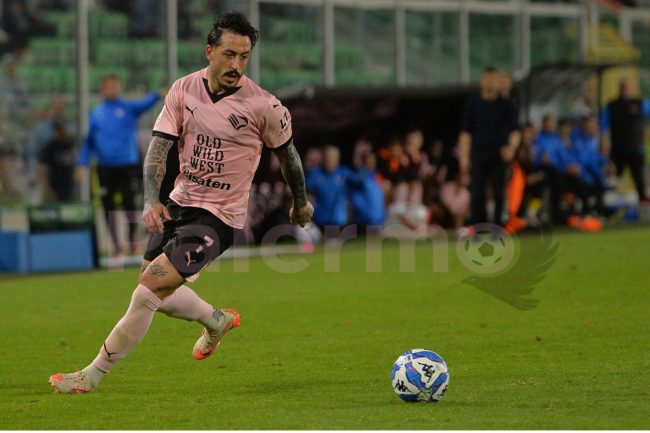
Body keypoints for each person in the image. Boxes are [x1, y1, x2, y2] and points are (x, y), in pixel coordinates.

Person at [49, 12, 313, 394]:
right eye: (229, 54)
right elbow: (159, 148)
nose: (236, 65)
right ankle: (216, 319)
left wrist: (300, 203)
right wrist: (151, 200)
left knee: (148, 290)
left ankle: (90, 376)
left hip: (219, 216)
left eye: (243, 56)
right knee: (157, 289)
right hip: (179, 204)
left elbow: (289, 157)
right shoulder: (184, 89)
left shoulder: (263, 106)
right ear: (209, 51)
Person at [76, 74, 164, 256]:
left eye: (115, 86)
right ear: (102, 89)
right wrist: (81, 163)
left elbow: (145, 103)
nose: (113, 89)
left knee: (130, 202)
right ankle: (116, 246)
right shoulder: (96, 113)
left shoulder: (128, 108)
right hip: (105, 167)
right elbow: (89, 141)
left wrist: (157, 95)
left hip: (127, 164)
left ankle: (132, 239)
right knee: (107, 205)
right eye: (109, 86)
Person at [459, 66, 520, 226]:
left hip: (499, 154)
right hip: (479, 154)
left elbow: (515, 130)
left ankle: (499, 226)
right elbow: (466, 133)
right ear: (481, 81)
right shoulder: (473, 103)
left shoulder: (507, 105)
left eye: (493, 79)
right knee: (477, 192)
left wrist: (511, 148)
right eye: (487, 79)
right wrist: (464, 158)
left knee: (499, 192)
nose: (490, 82)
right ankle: (480, 226)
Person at [599, 79, 650, 203]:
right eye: (623, 88)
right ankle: (605, 205)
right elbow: (601, 127)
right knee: (612, 180)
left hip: (636, 149)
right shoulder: (612, 106)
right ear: (619, 89)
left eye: (627, 88)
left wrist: (648, 131)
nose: (625, 91)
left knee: (639, 180)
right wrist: (602, 144)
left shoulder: (640, 103)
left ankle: (643, 204)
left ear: (631, 89)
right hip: (618, 150)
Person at [306, 145, 359, 228]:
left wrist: (359, 165)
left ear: (337, 160)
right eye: (327, 157)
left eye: (332, 158)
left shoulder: (344, 173)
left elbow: (360, 184)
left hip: (339, 220)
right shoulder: (314, 175)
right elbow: (306, 194)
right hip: (319, 220)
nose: (329, 160)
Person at [38, 119, 75, 202]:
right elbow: (43, 167)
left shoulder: (73, 144)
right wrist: (47, 188)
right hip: (55, 187)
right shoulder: (52, 146)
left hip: (71, 186)